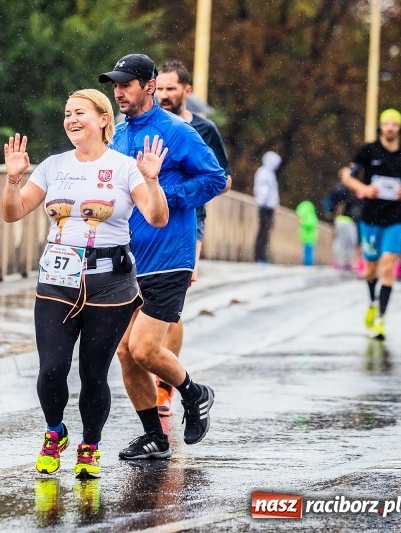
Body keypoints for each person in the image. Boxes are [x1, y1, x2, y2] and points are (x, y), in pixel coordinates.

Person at [1, 89, 168, 478]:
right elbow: (13, 213)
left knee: (94, 373)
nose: (71, 119)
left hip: (109, 282)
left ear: (103, 119)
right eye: (67, 113)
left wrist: (152, 180)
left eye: (80, 112)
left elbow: (156, 217)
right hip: (57, 277)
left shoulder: (125, 167)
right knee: (51, 369)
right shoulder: (53, 165)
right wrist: (12, 180)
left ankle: (90, 444)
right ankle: (54, 431)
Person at [99, 53, 225, 460]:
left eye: (126, 84)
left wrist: (162, 195)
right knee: (123, 350)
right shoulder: (117, 135)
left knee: (144, 348)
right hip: (128, 256)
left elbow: (215, 178)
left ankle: (194, 392)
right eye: (114, 85)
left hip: (170, 255)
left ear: (149, 85)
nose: (118, 92)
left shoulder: (176, 131)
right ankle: (154, 435)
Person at [154, 59, 233, 416]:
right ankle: (153, 365)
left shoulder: (202, 129)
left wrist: (184, 189)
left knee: (172, 302)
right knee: (141, 300)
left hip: (190, 221)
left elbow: (223, 178)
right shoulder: (145, 126)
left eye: (172, 88)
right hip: (145, 221)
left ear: (187, 91)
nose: (165, 95)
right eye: (160, 88)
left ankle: (165, 387)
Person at [340, 108, 401, 340]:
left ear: (399, 128)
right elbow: (346, 175)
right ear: (381, 127)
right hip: (370, 218)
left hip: (395, 219)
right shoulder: (368, 150)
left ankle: (381, 319)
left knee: (387, 266)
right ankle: (373, 302)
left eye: (394, 124)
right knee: (371, 268)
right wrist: (363, 189)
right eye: (387, 124)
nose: (390, 127)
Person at [323, 172, 361, 271]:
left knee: (351, 242)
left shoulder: (354, 189)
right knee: (342, 242)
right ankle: (339, 262)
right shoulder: (341, 188)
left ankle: (347, 263)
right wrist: (331, 212)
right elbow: (330, 202)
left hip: (351, 220)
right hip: (342, 218)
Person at [253, 151, 282, 263]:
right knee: (263, 232)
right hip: (265, 207)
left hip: (268, 206)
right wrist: (268, 204)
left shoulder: (268, 173)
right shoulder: (265, 173)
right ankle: (260, 257)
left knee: (265, 233)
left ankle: (262, 256)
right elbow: (264, 191)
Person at [295, 200, 318, 266]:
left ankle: (309, 264)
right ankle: (307, 263)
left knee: (309, 252)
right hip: (307, 238)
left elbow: (310, 224)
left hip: (310, 239)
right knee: (306, 252)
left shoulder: (309, 217)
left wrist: (303, 222)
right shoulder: (311, 216)